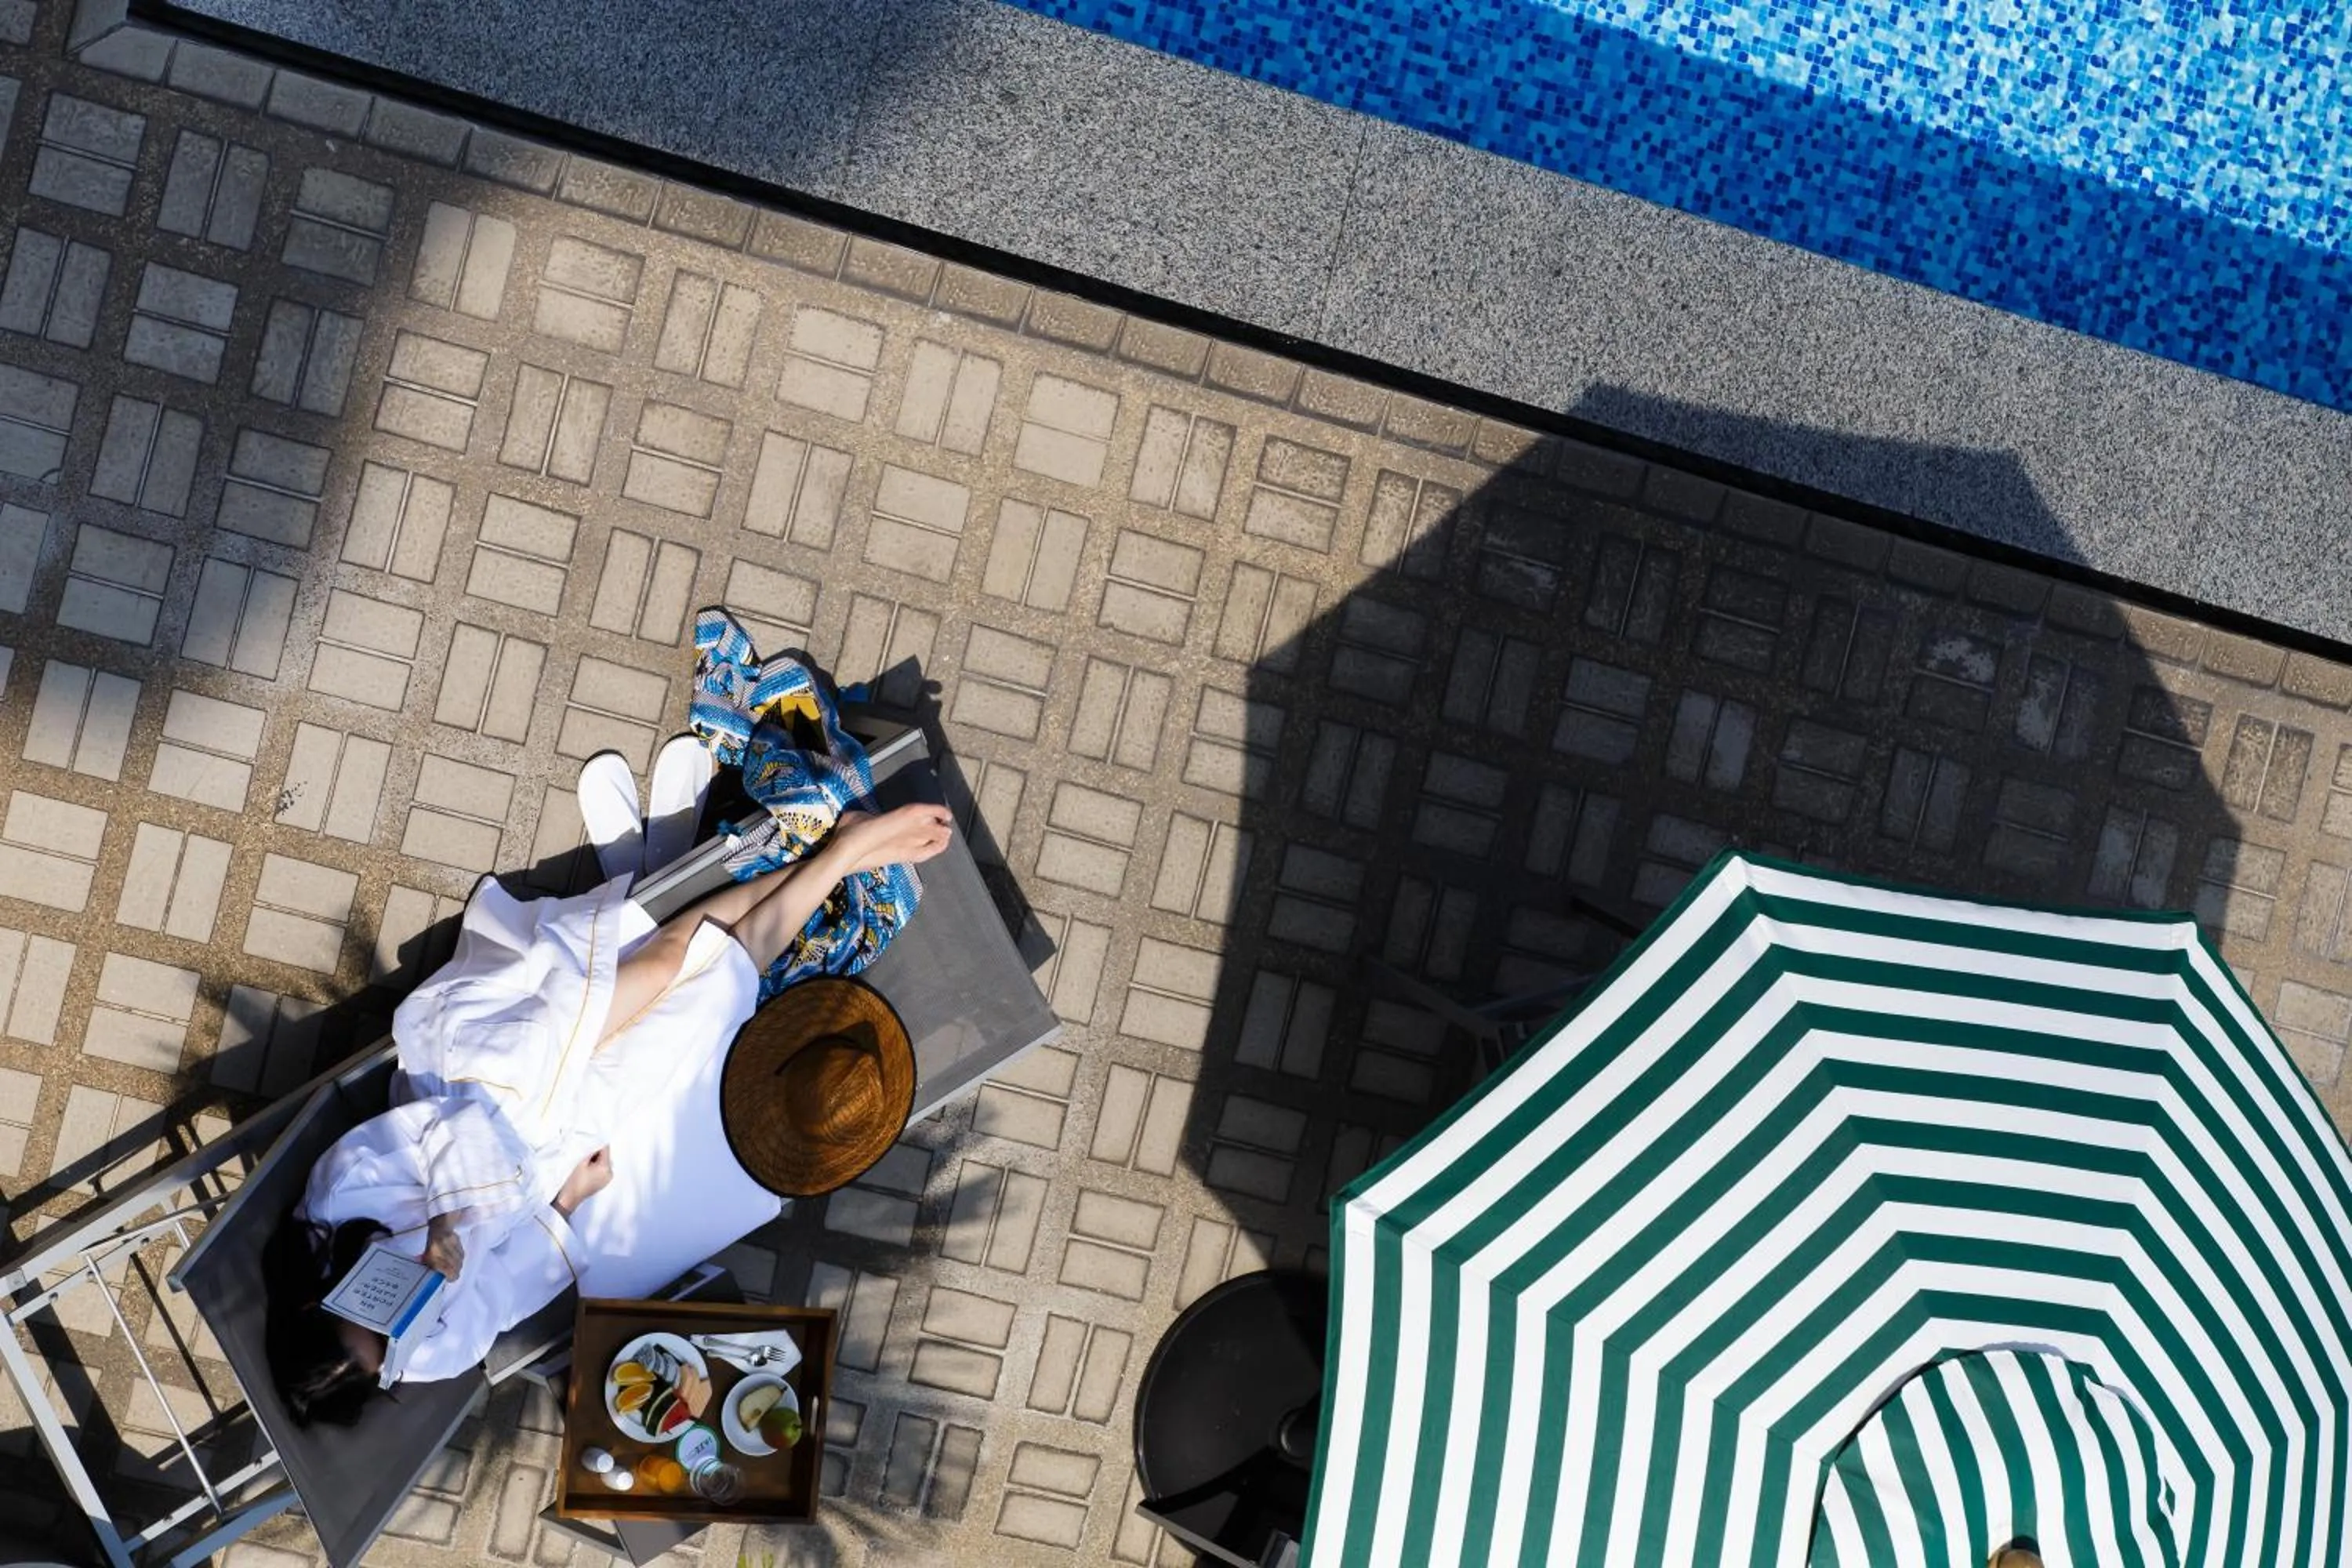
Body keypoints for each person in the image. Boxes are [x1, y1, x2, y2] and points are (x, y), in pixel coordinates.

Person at [263, 799, 951, 1424]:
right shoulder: (428, 1352)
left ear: (320, 1303)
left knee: (662, 965)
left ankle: (841, 853)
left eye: (366, 1322)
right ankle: (841, 856)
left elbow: (448, 1128)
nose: (388, 1330)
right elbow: (501, 1294)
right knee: (708, 1001)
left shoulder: (335, 1201)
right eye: (382, 1351)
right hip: (546, 1157)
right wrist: (565, 1204)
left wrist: (444, 1221)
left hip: (483, 1083)